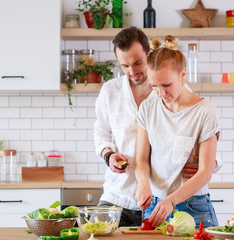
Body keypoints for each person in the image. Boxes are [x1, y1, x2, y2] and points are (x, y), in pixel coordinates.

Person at [93, 27, 221, 227]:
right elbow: (101, 134)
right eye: (125, 65)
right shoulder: (114, 93)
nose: (132, 72)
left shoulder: (187, 97)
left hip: (178, 197)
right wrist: (108, 155)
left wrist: (206, 162)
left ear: (149, 55)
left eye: (137, 63)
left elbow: (196, 143)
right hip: (123, 193)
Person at [135, 35, 220, 228]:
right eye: (154, 86)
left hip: (194, 206)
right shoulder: (148, 107)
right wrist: (143, 184)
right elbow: (141, 158)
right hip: (155, 206)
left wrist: (172, 200)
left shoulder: (204, 112)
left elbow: (205, 172)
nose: (161, 93)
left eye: (166, 85)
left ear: (183, 74)